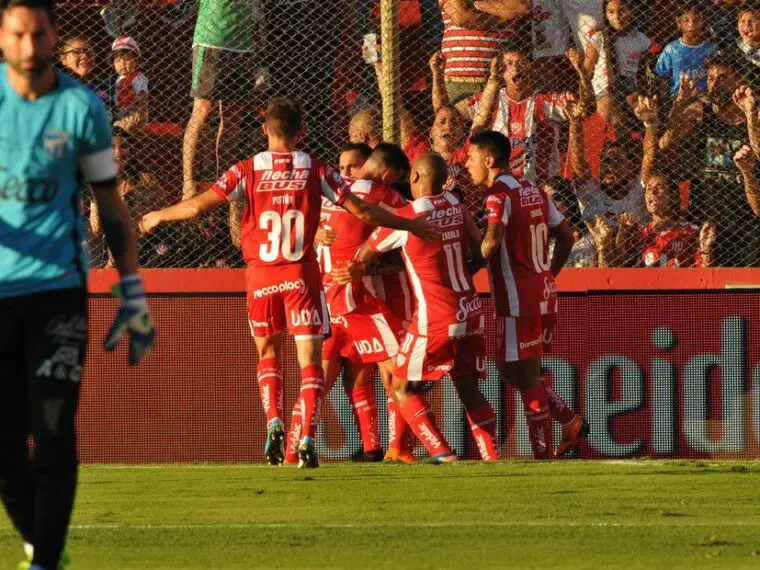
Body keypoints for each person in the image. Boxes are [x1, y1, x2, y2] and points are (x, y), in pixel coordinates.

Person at [140, 98, 440, 469]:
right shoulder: (315, 169)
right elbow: (362, 211)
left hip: (260, 275)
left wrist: (158, 215)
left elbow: (199, 206)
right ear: (302, 131)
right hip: (301, 275)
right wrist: (409, 223)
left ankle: (274, 421)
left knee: (268, 355)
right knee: (310, 363)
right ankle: (308, 437)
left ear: (265, 129)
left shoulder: (245, 169)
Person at [0, 0, 155, 568]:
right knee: (6, 449)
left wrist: (131, 292)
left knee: (54, 426)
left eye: (38, 33)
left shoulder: (81, 108)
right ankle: (44, 546)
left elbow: (112, 210)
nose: (28, 45)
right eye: (17, 34)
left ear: (53, 35)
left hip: (58, 292)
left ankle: (43, 563)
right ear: (2, 37)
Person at [340, 153, 501, 462]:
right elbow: (480, 247)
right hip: (471, 308)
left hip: (436, 316)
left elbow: (365, 252)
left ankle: (442, 454)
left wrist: (353, 268)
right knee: (469, 390)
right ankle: (491, 458)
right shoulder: (456, 205)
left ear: (414, 178)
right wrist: (468, 268)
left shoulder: (408, 216)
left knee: (400, 386)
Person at [466, 130, 580, 459]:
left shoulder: (497, 196)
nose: (467, 163)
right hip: (539, 293)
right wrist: (546, 275)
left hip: (518, 301)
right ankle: (569, 421)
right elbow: (566, 237)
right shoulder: (533, 190)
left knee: (526, 376)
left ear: (489, 161)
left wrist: (464, 272)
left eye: (472, 158)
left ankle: (542, 456)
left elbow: (491, 242)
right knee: (507, 369)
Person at [661, 56, 760, 265]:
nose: (715, 83)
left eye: (723, 77)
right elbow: (666, 143)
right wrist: (680, 104)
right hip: (709, 218)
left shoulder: (755, 115)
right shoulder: (701, 112)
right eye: (711, 78)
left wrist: (750, 115)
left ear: (740, 81)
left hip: (748, 221)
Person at [464, 44, 592, 185]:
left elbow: (585, 108)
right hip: (502, 186)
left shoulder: (544, 100)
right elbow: (450, 112)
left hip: (540, 187)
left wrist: (582, 72)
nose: (516, 68)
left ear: (531, 67)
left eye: (522, 63)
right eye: (509, 64)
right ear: (501, 71)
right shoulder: (491, 100)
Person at [583, 0, 659, 128]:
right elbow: (586, 71)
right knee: (609, 105)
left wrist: (647, 65)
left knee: (643, 107)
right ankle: (617, 138)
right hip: (603, 89)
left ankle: (643, 128)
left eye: (622, 11)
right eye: (611, 12)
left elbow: (655, 51)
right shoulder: (599, 37)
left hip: (629, 88)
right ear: (605, 14)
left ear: (632, 11)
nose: (617, 17)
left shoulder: (638, 37)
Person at [437, 0, 530, 102]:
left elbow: (521, 7)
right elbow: (461, 17)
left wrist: (474, 5)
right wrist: (502, 16)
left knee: (500, 117)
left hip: (503, 76)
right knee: (458, 116)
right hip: (460, 77)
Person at [654, 1, 716, 99]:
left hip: (704, 97)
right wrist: (664, 100)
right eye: (686, 20)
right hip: (678, 97)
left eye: (696, 20)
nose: (692, 24)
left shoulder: (710, 48)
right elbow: (661, 76)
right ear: (679, 22)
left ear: (703, 21)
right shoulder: (671, 49)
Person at [58, 36, 110, 105]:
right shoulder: (57, 87)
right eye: (76, 52)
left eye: (89, 52)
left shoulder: (107, 84)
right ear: (63, 59)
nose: (84, 56)